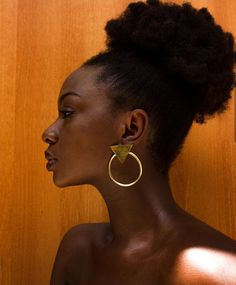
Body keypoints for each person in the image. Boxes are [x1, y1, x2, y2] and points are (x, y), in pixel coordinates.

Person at [42, 0, 236, 284]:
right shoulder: (78, 250)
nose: (49, 132)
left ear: (131, 128)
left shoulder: (215, 271)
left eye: (67, 113)